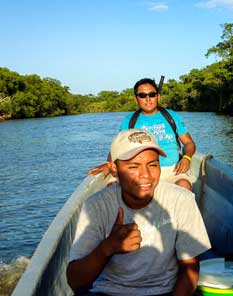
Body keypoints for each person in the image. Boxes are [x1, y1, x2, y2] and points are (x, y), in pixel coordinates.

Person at [67, 129, 211, 296]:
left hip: (165, 291)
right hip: (108, 291)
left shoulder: (182, 199)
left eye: (153, 165)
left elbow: (190, 269)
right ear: (115, 169)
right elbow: (74, 281)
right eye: (133, 166)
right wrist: (108, 247)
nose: (146, 175)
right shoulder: (96, 206)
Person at [89, 78, 196, 190]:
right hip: (139, 171)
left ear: (158, 97)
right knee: (112, 188)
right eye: (142, 95)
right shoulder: (129, 120)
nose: (148, 99)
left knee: (184, 185)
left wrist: (187, 158)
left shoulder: (172, 116)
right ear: (136, 99)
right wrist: (108, 164)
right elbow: (117, 147)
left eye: (152, 94)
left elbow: (189, 143)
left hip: (172, 170)